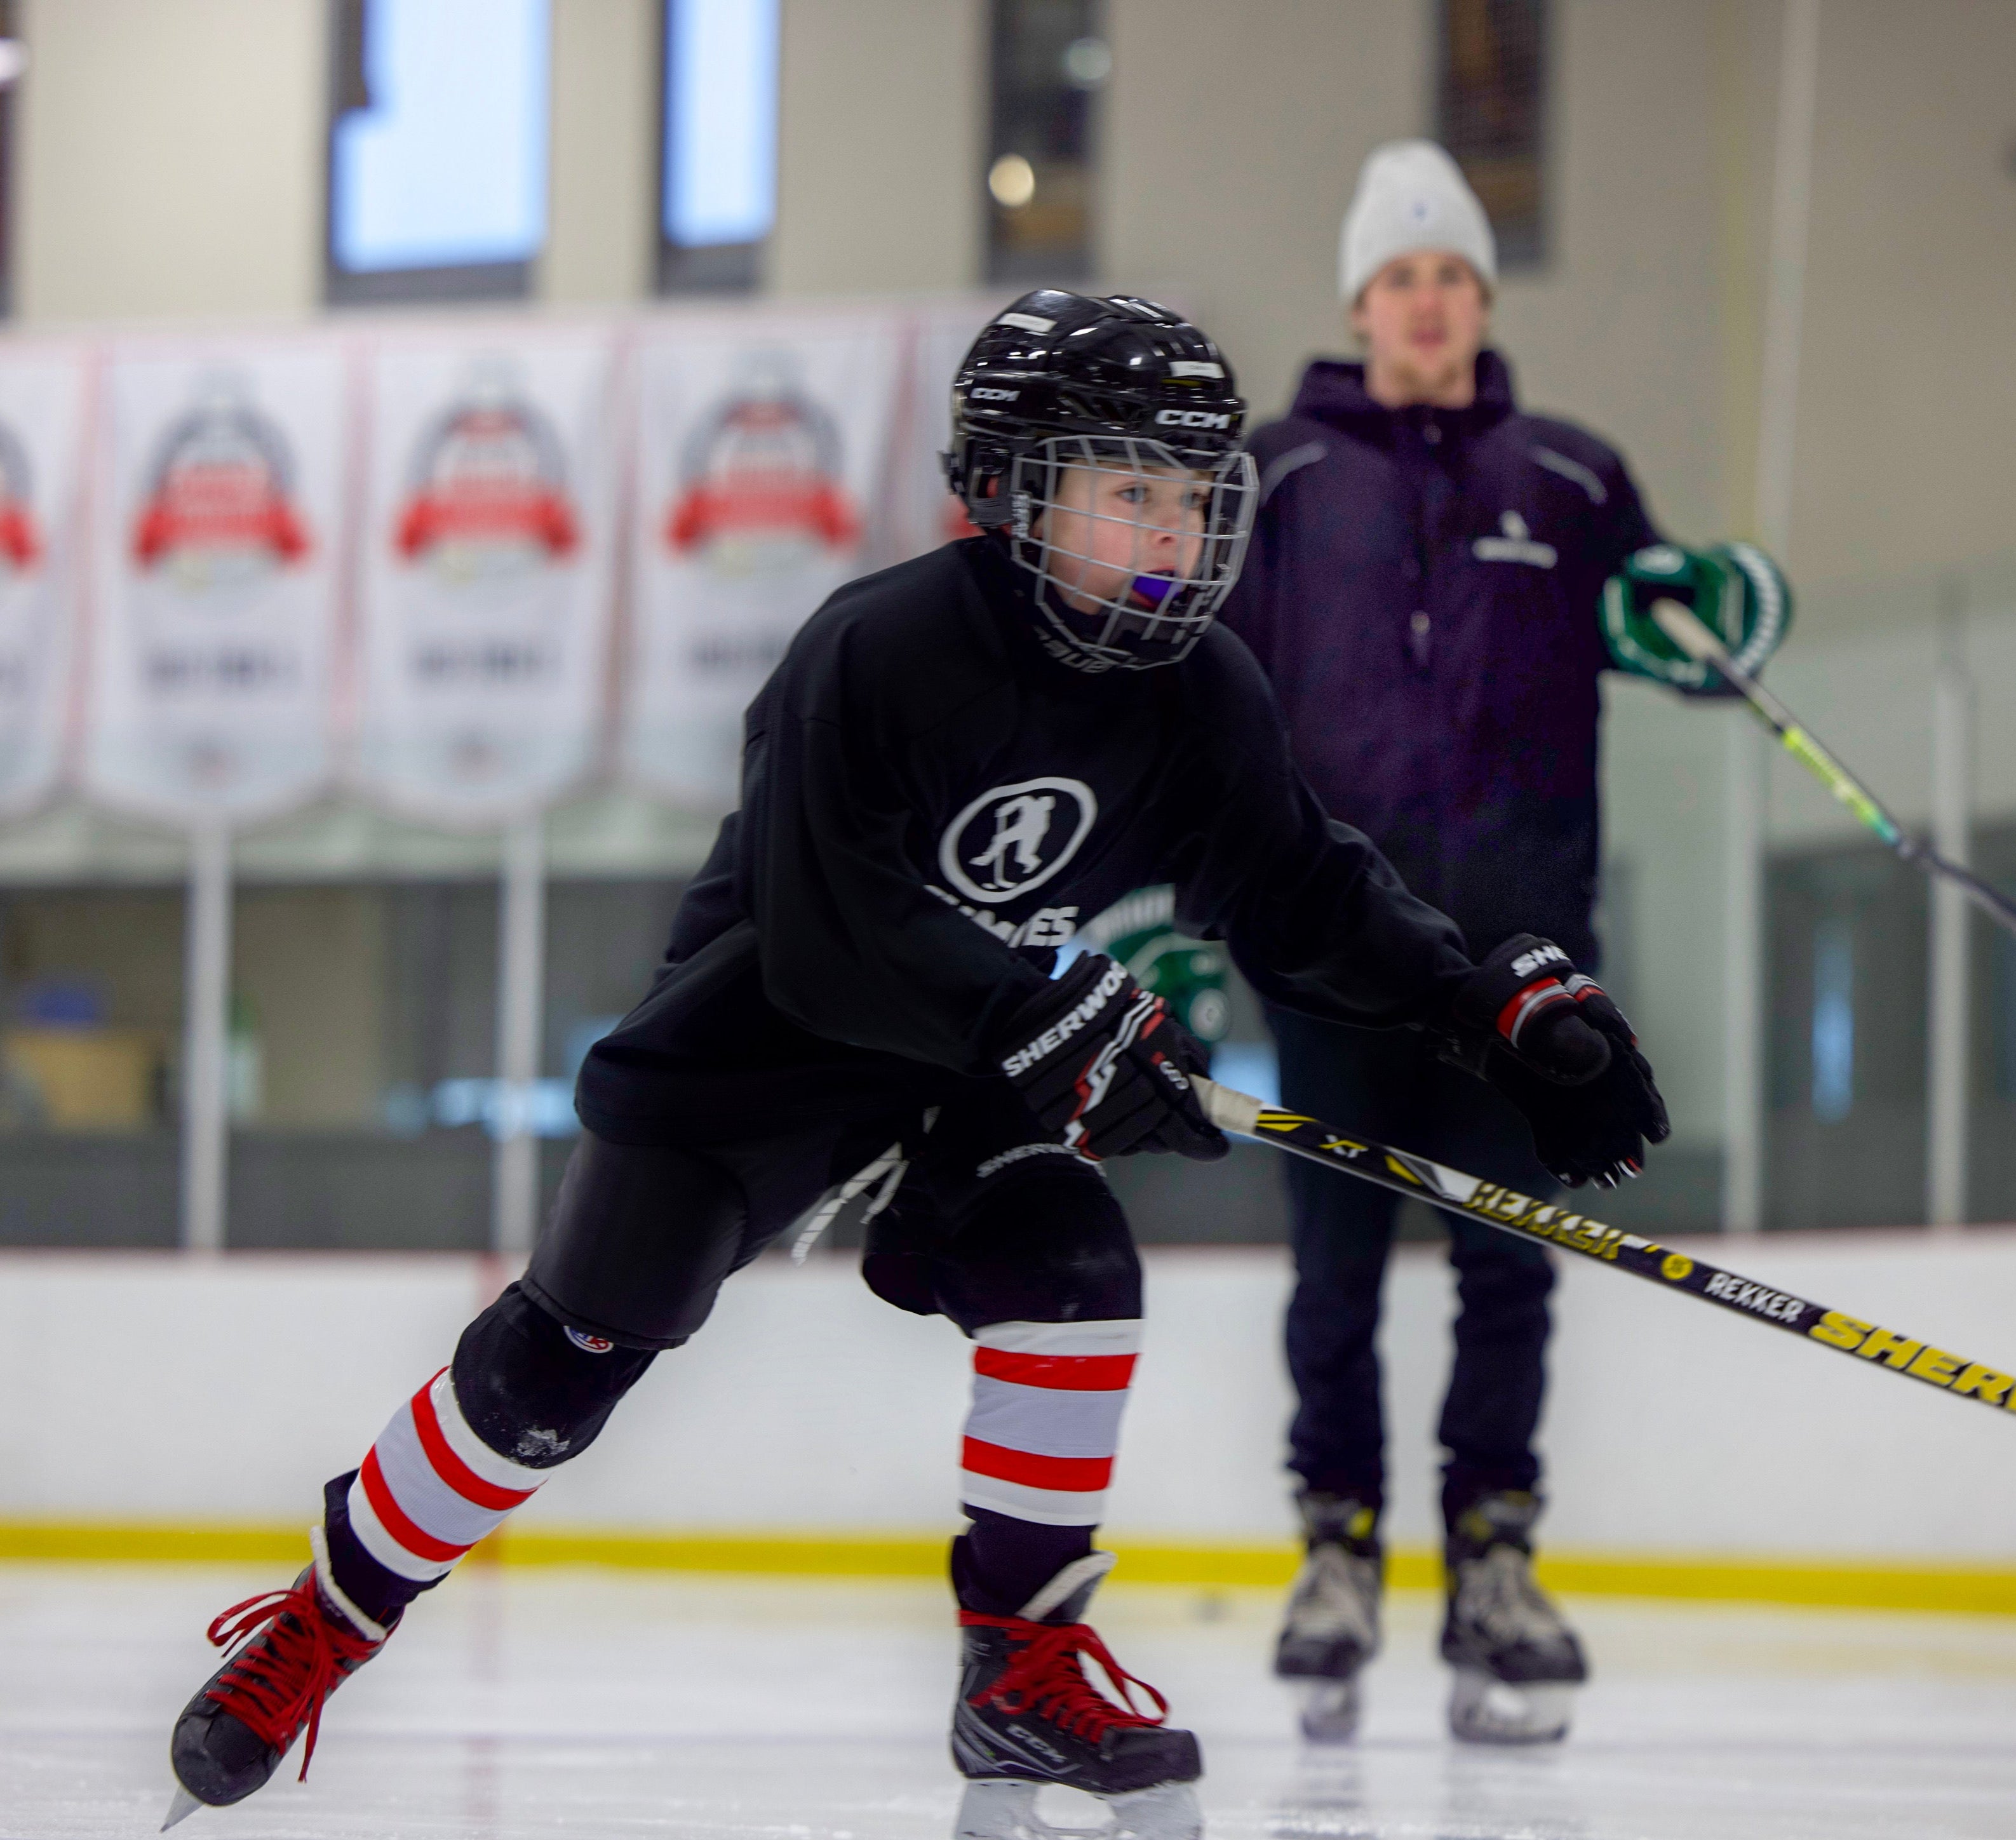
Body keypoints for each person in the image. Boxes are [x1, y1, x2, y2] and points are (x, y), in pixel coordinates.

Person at [159, 291, 1670, 1838]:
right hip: (759, 1053)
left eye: (1187, 494)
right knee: (563, 1367)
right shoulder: (874, 649)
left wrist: (1491, 1007)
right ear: (1012, 490)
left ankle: (1018, 1665)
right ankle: (332, 1612)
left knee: (1076, 1275)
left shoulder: (1200, 694)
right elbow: (828, 936)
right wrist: (1056, 1018)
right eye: (1124, 490)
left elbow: (1305, 895)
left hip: (965, 1071)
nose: (1167, 534)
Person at [1221, 142, 1789, 1745]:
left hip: (1523, 968)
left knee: (1505, 1271)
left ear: (1480, 297)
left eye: (1453, 274)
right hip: (1332, 951)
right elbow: (1217, 715)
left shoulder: (1575, 474)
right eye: (1400, 275)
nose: (1428, 301)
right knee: (1333, 1276)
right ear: (1359, 299)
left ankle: (1491, 1567)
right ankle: (1333, 1554)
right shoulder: (1275, 476)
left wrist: (1699, 618)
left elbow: (1656, 623)